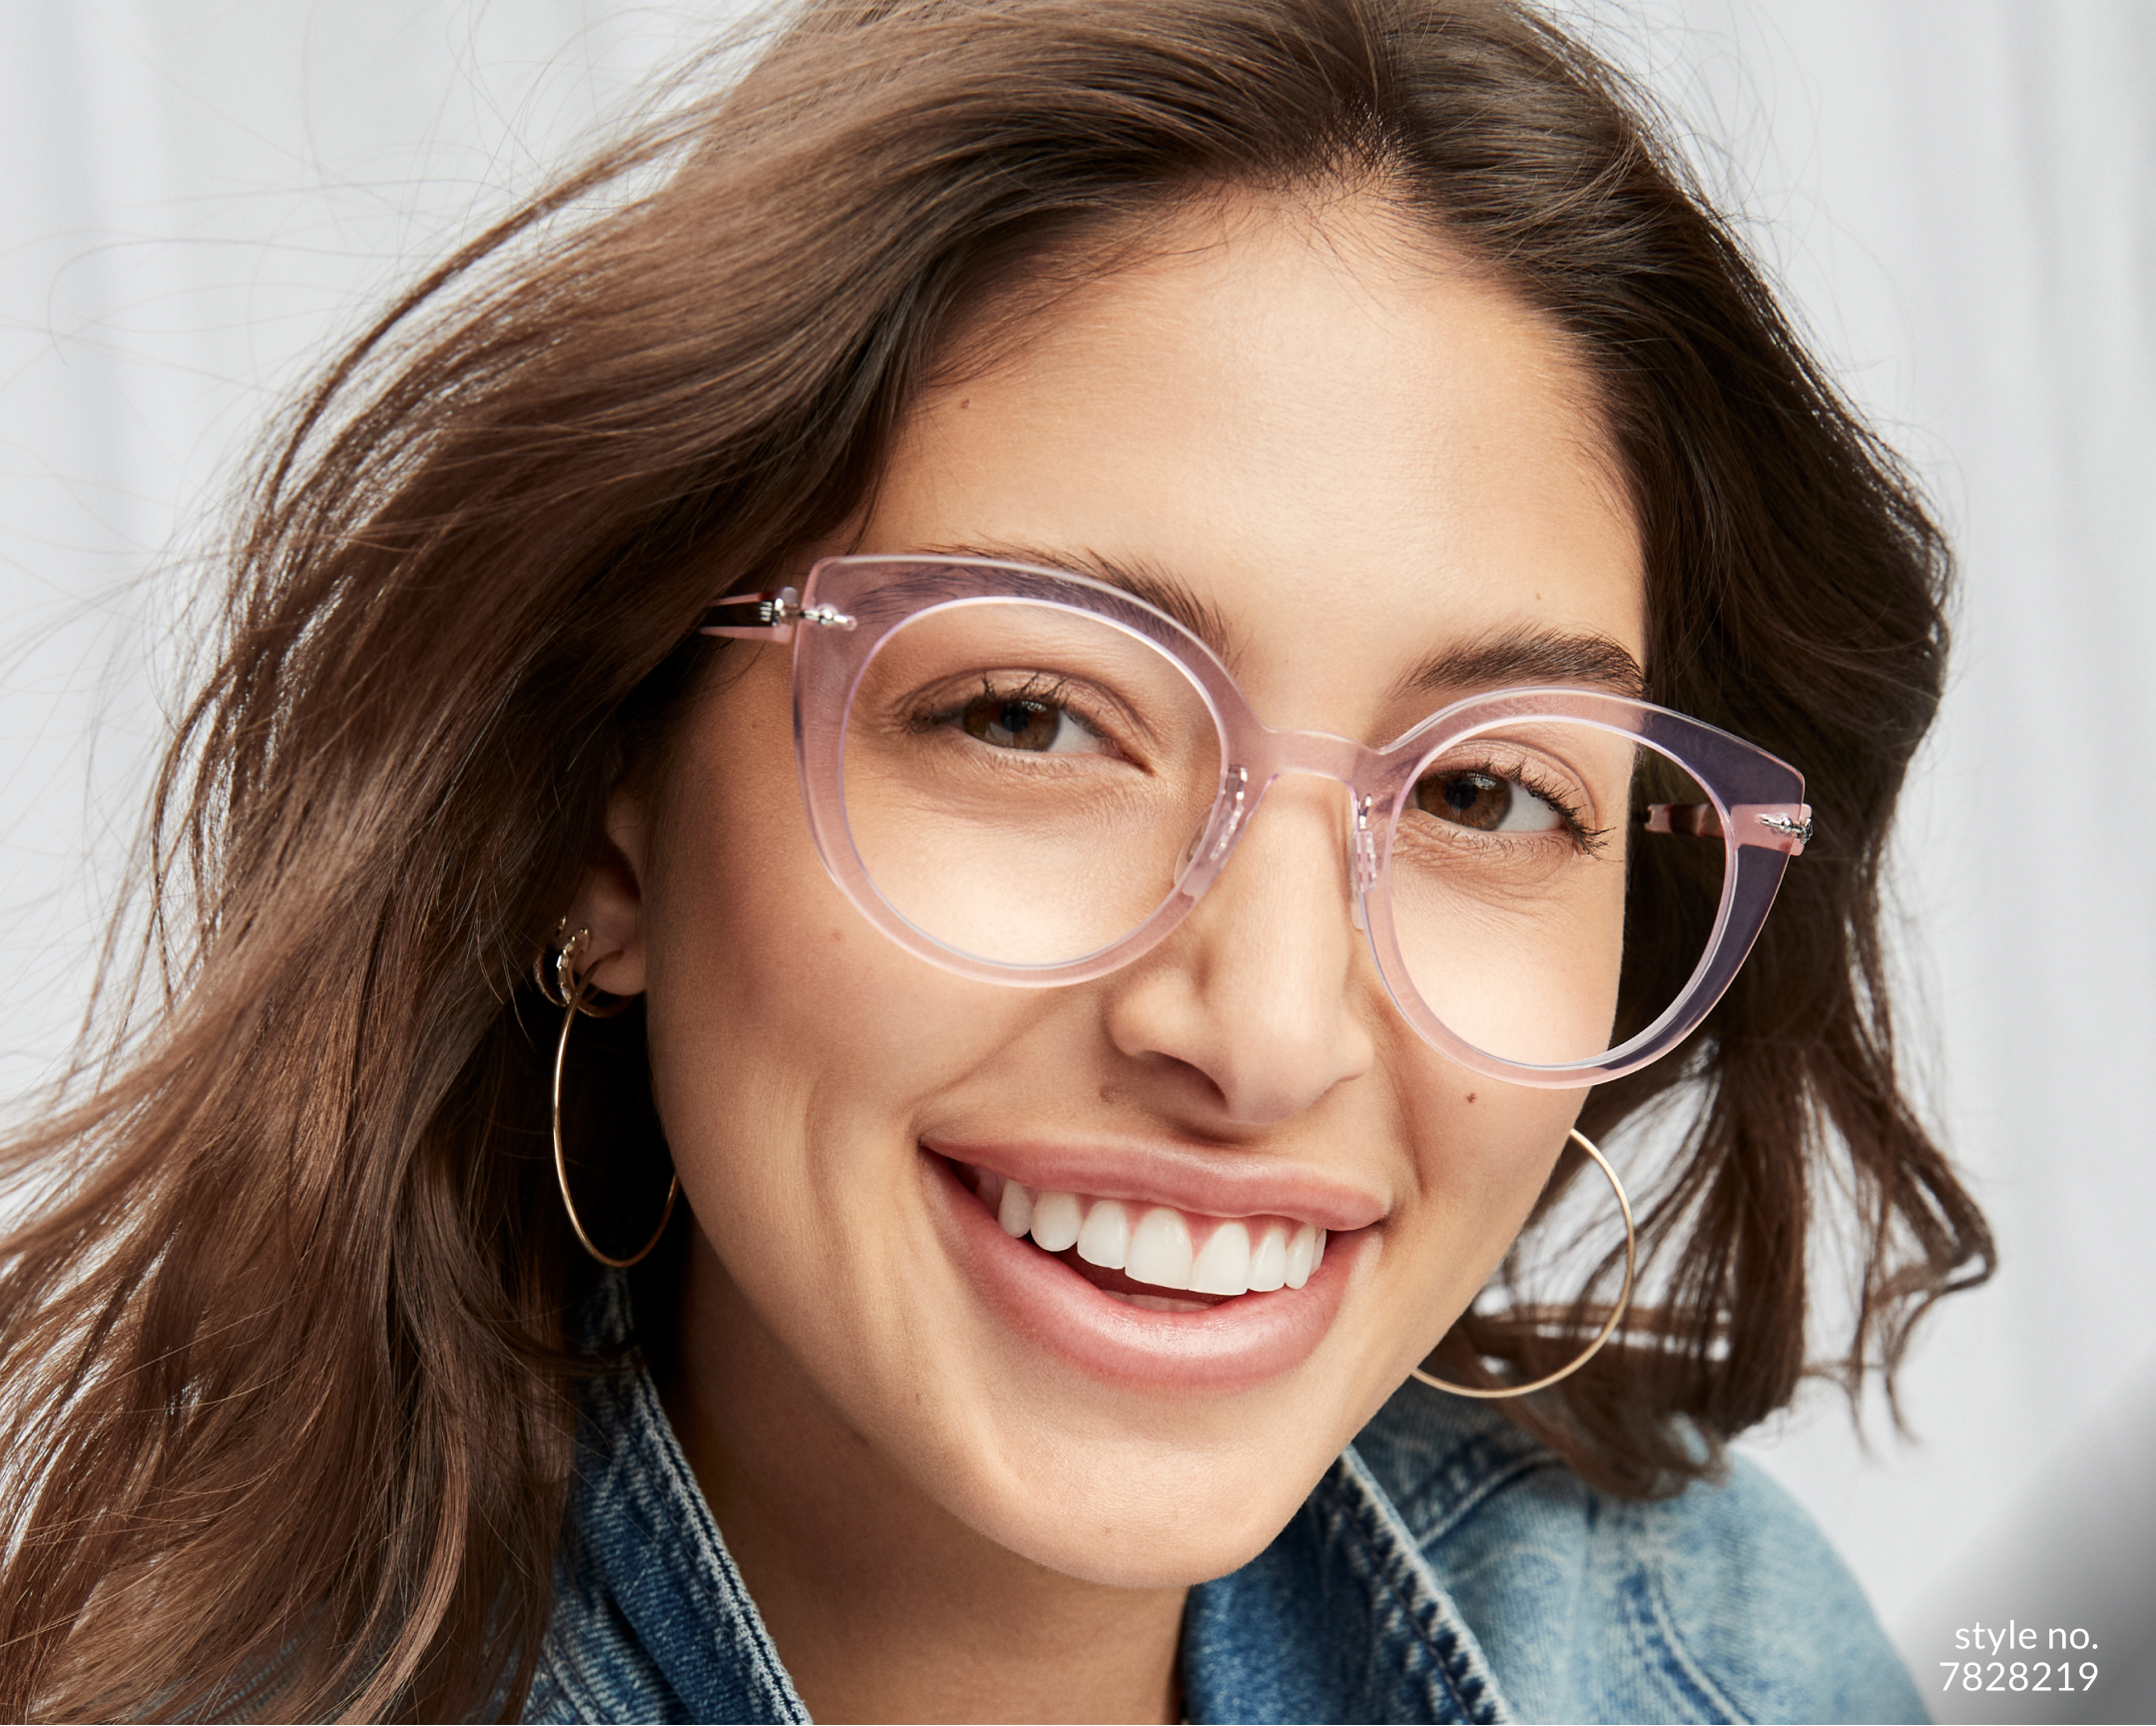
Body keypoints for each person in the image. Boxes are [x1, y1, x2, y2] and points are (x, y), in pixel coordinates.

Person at [0, 0, 1995, 1719]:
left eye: (1485, 795)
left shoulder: (1683, 1647)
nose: (1268, 1028)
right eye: (1034, 717)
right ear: (598, 822)